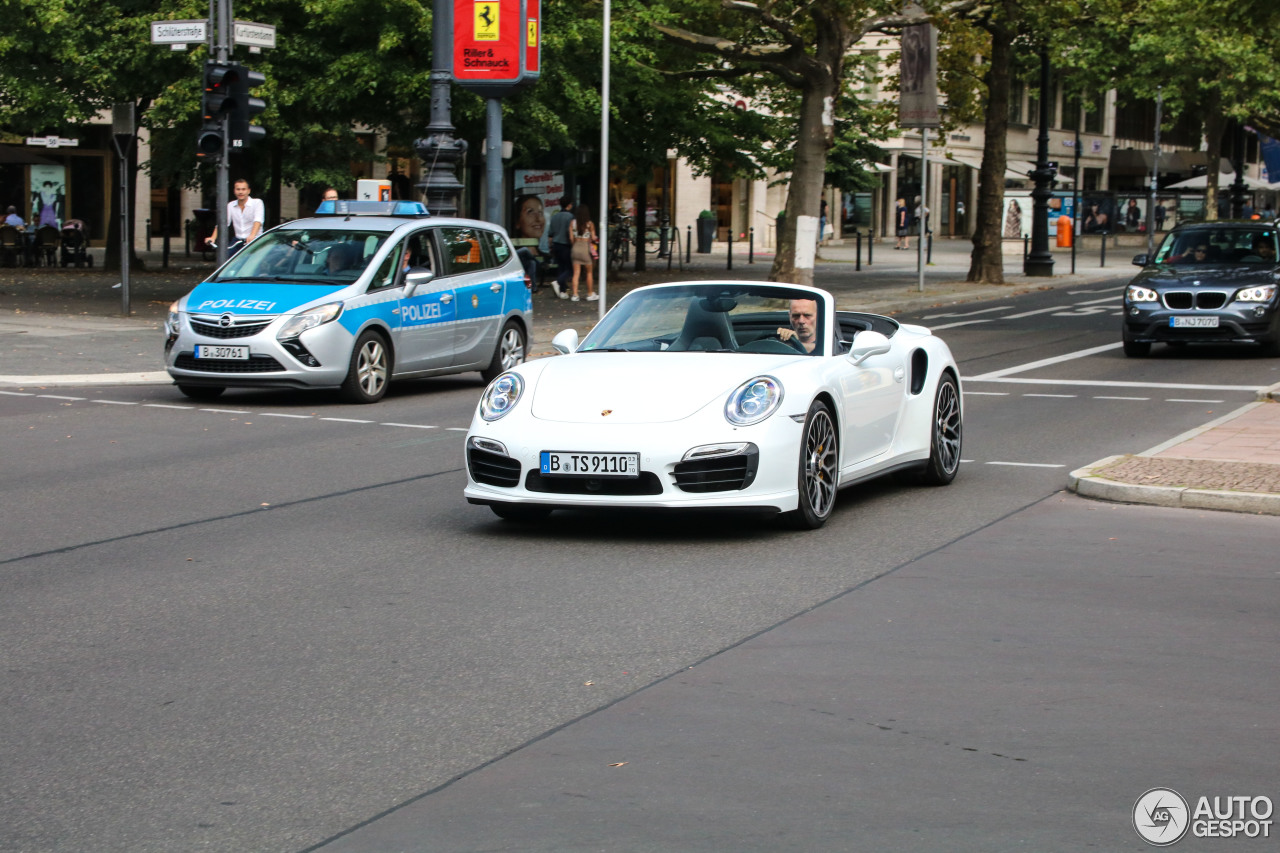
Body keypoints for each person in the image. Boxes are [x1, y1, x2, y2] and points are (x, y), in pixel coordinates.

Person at [206, 178, 264, 255]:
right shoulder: (230, 205)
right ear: (234, 191)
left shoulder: (257, 203)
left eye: (243, 189)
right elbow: (223, 223)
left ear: (248, 191)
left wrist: (252, 235)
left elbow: (258, 220)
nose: (240, 192)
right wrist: (212, 238)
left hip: (254, 241)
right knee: (225, 259)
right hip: (238, 241)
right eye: (238, 189)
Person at [547, 196, 574, 299]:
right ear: (569, 205)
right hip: (565, 245)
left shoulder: (555, 217)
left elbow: (550, 234)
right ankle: (558, 282)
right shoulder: (570, 217)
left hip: (555, 244)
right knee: (570, 269)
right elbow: (570, 233)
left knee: (561, 267)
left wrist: (550, 246)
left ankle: (562, 292)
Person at [569, 203, 597, 302]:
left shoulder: (572, 223)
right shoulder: (590, 224)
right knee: (589, 272)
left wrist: (575, 244)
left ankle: (575, 295)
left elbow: (571, 238)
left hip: (575, 248)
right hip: (585, 248)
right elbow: (593, 238)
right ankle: (590, 294)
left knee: (576, 273)